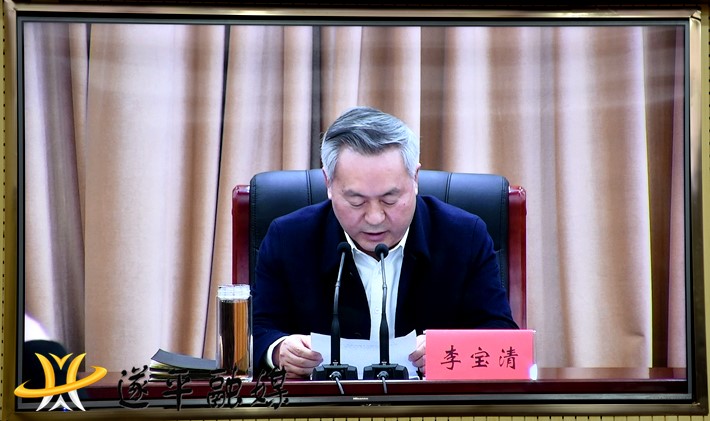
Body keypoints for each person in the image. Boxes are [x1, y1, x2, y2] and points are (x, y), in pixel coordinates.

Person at [252, 106, 518, 379]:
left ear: (415, 179)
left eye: (390, 199)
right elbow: (258, 329)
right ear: (328, 183)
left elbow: (503, 335)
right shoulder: (289, 238)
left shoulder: (464, 236)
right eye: (356, 201)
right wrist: (278, 350)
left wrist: (451, 350)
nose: (375, 218)